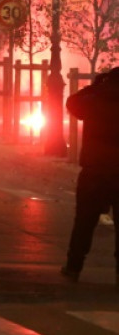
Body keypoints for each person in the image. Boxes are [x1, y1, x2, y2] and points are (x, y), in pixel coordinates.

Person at [61, 67, 119, 288]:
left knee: (84, 222)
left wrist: (96, 86)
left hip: (94, 171)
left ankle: (74, 266)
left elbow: (72, 102)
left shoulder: (94, 100)